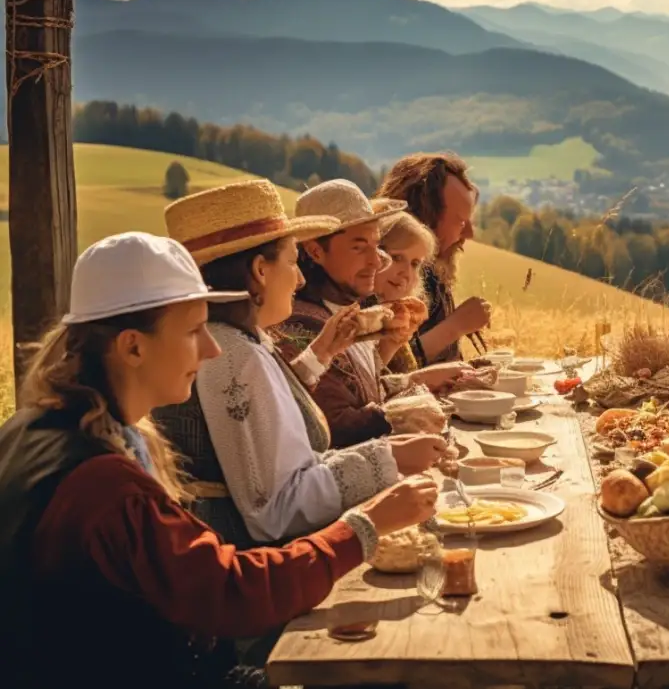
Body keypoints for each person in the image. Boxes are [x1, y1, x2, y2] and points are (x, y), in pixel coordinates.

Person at [0, 232, 440, 688]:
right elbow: (230, 591)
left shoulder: (32, 430)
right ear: (132, 347)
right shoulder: (104, 486)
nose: (211, 349)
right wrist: (362, 528)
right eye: (193, 331)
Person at [153, 179, 447, 550]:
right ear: (261, 270)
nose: (301, 277)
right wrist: (386, 459)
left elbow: (280, 431)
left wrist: (319, 358)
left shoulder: (240, 338)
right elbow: (275, 511)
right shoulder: (231, 355)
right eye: (293, 261)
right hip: (245, 557)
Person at [273, 179, 466, 448]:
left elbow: (363, 392)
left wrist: (418, 380)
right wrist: (406, 411)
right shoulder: (300, 328)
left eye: (376, 245)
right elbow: (335, 428)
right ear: (316, 251)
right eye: (358, 246)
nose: (376, 260)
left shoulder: (345, 309)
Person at [376, 152, 492, 366]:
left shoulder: (434, 270)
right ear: (426, 216)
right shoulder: (384, 275)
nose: (469, 234)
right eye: (460, 222)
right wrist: (456, 326)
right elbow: (389, 368)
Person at [377, 212, 438, 374]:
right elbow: (363, 389)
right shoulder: (354, 316)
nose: (406, 273)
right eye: (397, 258)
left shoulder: (395, 316)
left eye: (414, 264)